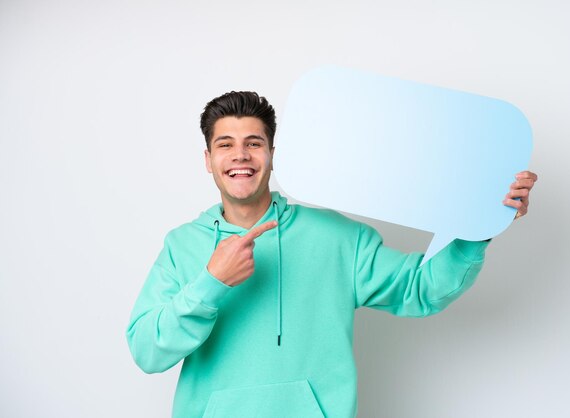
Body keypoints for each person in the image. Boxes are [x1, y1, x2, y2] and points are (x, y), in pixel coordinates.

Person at [126, 91, 538, 418]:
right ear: (208, 160)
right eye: (225, 145)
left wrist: (480, 222)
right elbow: (147, 351)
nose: (240, 156)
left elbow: (421, 288)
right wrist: (210, 284)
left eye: (254, 143)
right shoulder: (182, 246)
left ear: (273, 154)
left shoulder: (335, 236)